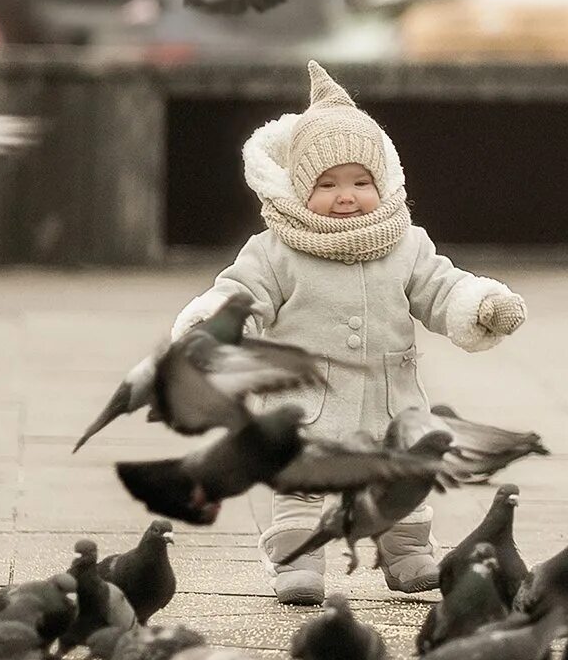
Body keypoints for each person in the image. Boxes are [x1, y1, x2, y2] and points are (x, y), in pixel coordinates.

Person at [170, 61, 527, 604]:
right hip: (306, 400)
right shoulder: (274, 250)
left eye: (361, 182)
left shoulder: (407, 244)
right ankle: (298, 560)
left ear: (383, 181)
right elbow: (244, 295)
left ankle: (405, 552)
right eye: (327, 184)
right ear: (297, 187)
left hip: (390, 397)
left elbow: (440, 287)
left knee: (401, 478)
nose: (346, 195)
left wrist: (480, 304)